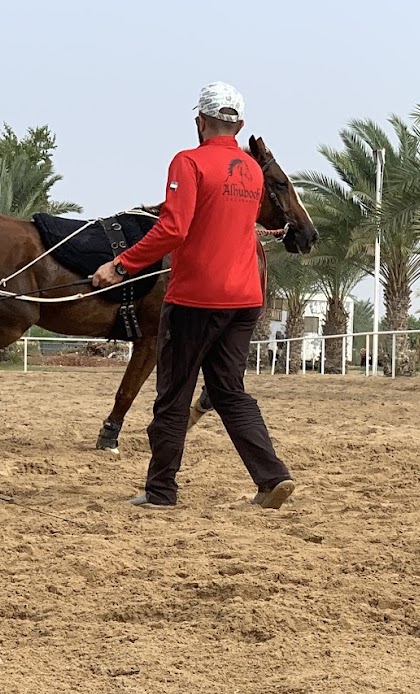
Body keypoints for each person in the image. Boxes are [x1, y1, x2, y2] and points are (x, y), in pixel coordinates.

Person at [92, 82, 294, 510]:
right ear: (238, 124)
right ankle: (272, 478)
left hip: (196, 300)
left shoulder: (188, 162)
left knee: (173, 393)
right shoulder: (253, 171)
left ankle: (162, 490)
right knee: (229, 391)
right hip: (245, 299)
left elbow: (172, 229)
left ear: (199, 122)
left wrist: (119, 265)